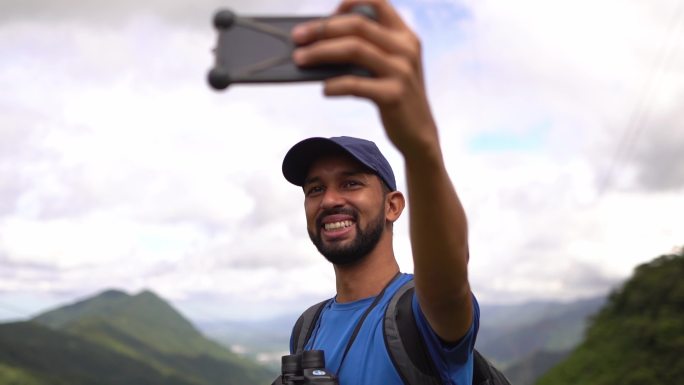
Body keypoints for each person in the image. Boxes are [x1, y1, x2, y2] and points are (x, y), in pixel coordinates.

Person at [280, 0, 476, 383]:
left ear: (393, 205)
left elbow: (452, 282)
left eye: (351, 183)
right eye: (315, 188)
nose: (330, 199)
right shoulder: (306, 327)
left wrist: (421, 148)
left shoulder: (421, 312)